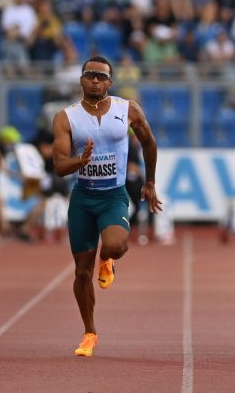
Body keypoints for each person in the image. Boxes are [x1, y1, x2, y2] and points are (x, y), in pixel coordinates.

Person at [52, 55, 162, 357]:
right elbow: (59, 166)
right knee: (81, 273)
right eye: (90, 75)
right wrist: (80, 161)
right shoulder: (66, 117)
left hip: (113, 195)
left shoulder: (127, 109)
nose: (96, 80)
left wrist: (150, 182)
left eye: (101, 76)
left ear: (110, 82)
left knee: (115, 245)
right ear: (81, 80)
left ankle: (108, 259)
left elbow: (150, 143)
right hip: (83, 198)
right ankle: (89, 332)